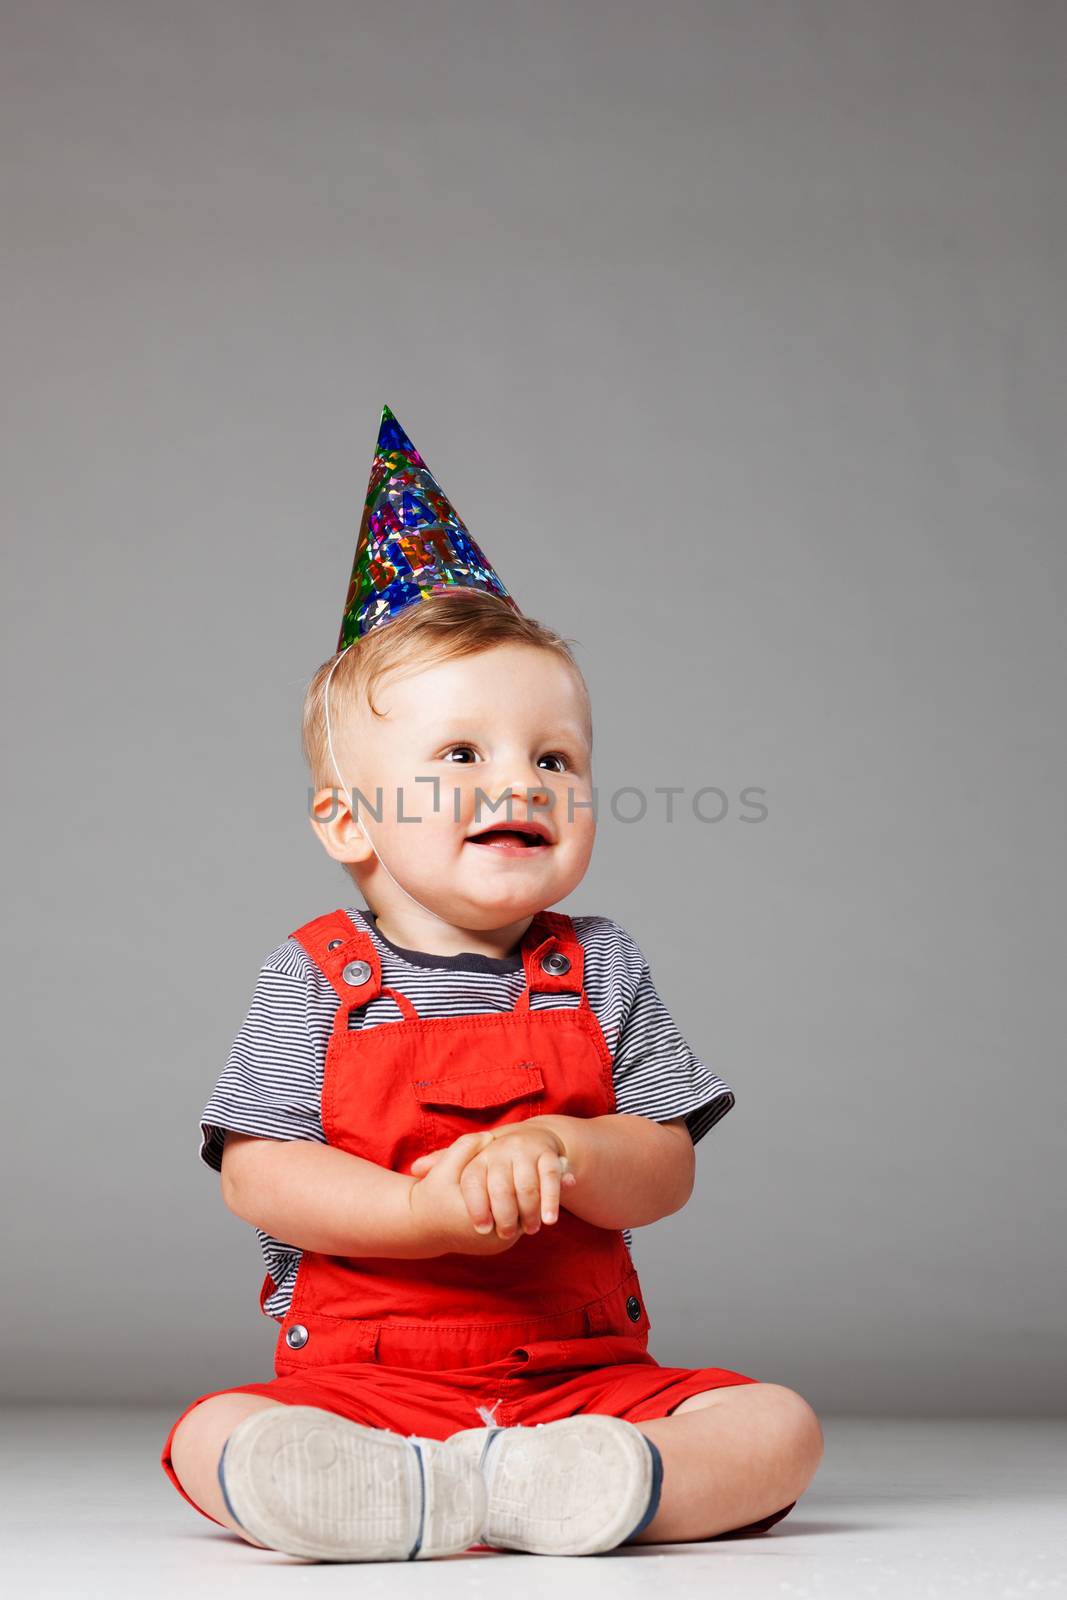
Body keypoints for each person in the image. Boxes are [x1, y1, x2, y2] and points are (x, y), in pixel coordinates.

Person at [161, 407, 823, 1561]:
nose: (517, 779)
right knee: (216, 1432)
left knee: (777, 1429)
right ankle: (378, 1483)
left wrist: (567, 1154)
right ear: (346, 819)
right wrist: (420, 1209)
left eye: (552, 757)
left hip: (582, 1383)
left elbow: (663, 1166)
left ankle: (562, 1484)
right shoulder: (316, 976)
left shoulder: (598, 964)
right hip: (366, 1388)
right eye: (459, 755)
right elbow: (258, 1176)